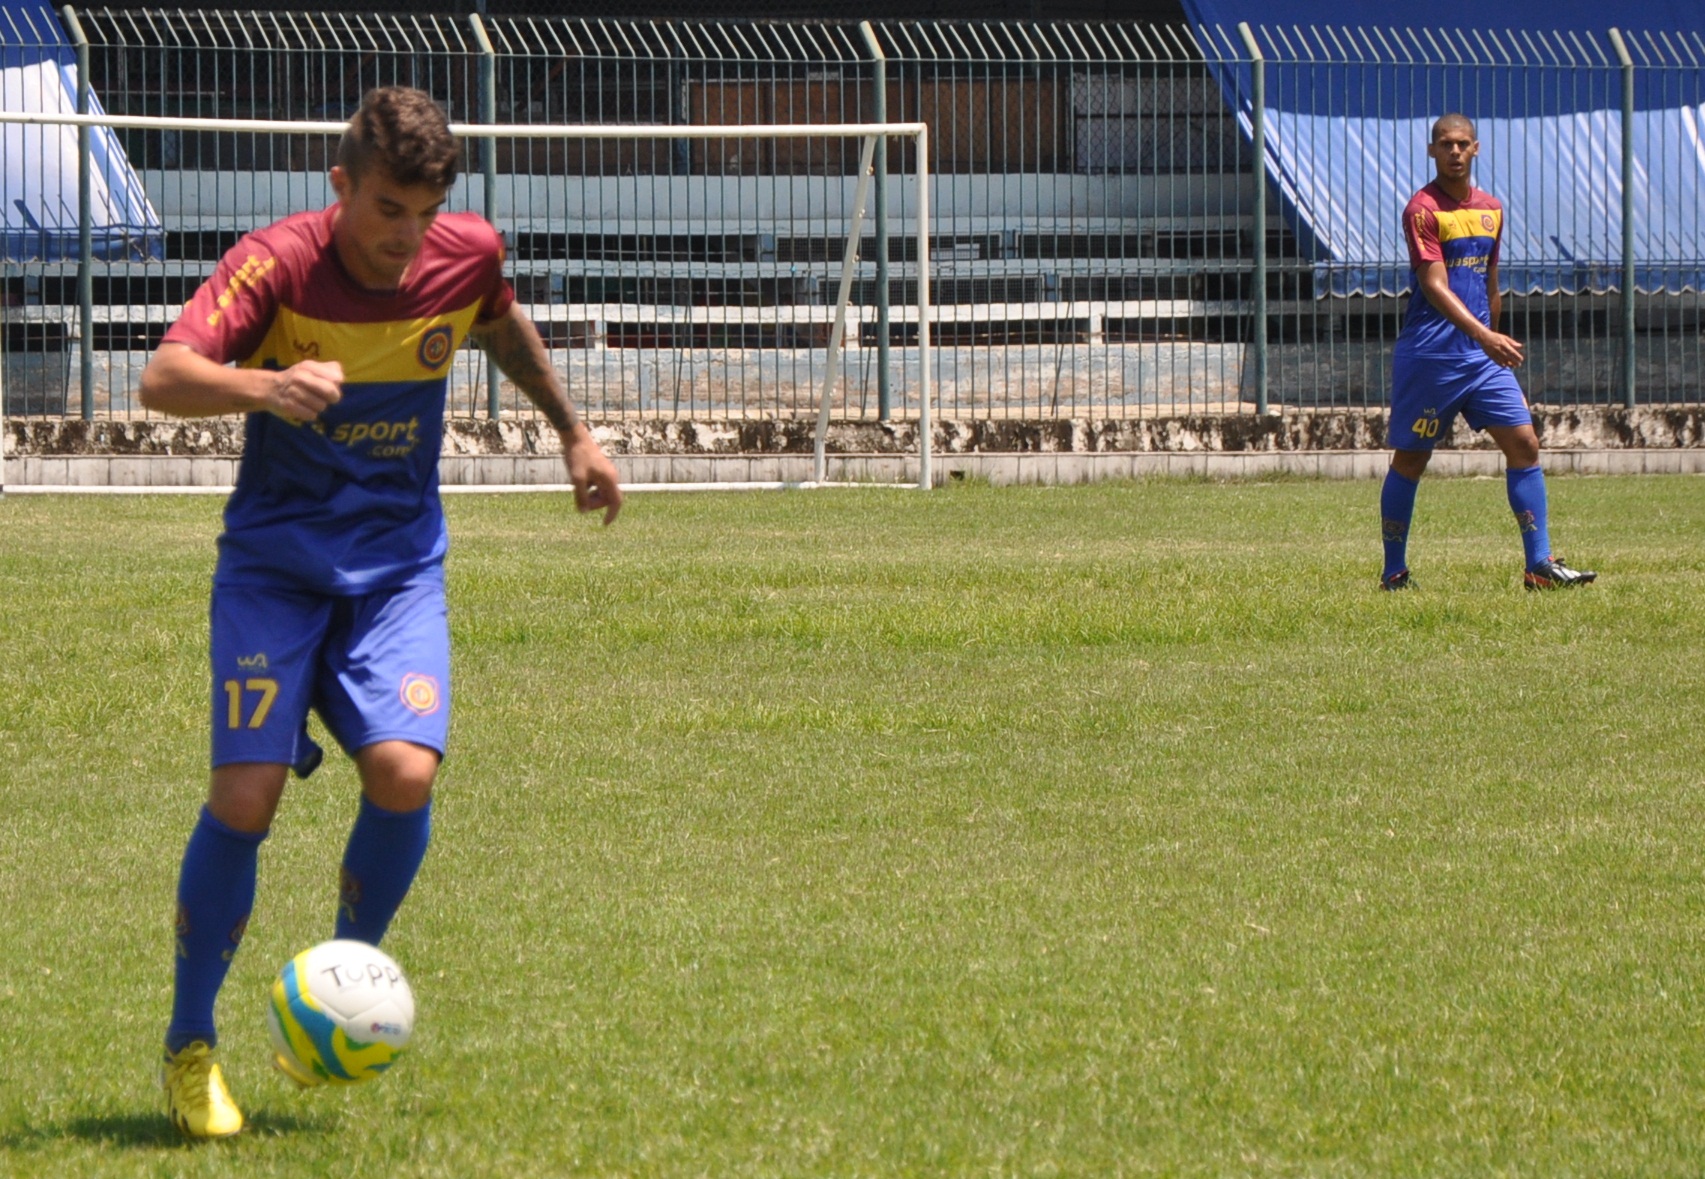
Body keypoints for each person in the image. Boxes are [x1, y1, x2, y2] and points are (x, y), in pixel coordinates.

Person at [138, 86, 622, 1138]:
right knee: (247, 797)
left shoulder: (463, 255)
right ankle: (189, 1043)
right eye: (385, 209)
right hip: (274, 566)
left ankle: (343, 984)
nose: (406, 236)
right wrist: (262, 388)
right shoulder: (273, 264)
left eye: (423, 211)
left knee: (404, 773)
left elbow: (501, 328)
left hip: (397, 570)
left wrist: (574, 434)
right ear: (341, 186)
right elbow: (162, 377)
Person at [1379, 113, 1595, 592]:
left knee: (1524, 444)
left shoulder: (1491, 209)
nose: (1454, 152)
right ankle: (1394, 572)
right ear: (1432, 151)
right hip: (1431, 357)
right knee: (1411, 460)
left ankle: (1539, 566)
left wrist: (1491, 340)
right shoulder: (1422, 209)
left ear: (1476, 148)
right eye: (1445, 144)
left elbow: (1489, 282)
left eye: (1462, 144)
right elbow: (1435, 287)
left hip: (1479, 357)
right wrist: (1485, 335)